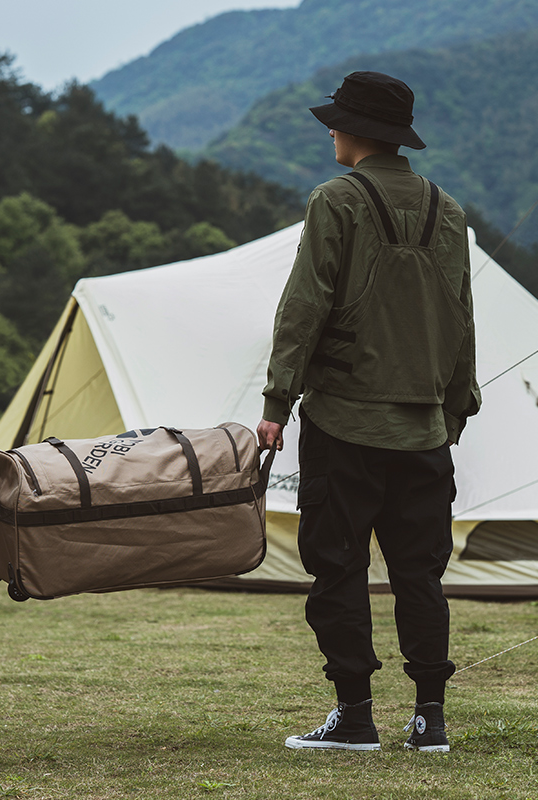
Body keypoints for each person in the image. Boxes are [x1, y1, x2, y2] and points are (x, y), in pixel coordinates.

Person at [256, 72, 481, 753]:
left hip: (344, 424)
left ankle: (354, 716)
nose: (330, 128)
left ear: (359, 132)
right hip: (424, 432)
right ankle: (428, 720)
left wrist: (277, 400)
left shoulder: (336, 201)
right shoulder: (449, 209)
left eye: (337, 120)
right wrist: (455, 408)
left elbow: (306, 304)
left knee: (339, 568)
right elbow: (461, 317)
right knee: (421, 574)